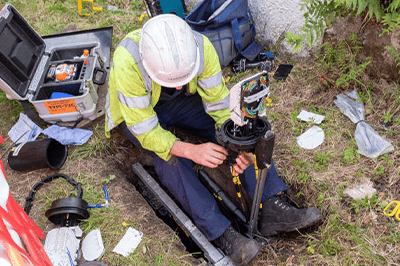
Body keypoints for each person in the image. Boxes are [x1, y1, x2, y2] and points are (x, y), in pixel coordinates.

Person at [105, 14, 322, 265]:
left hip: (183, 105)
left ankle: (272, 205)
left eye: (182, 80)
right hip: (136, 114)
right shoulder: (127, 61)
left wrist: (240, 146)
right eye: (171, 82)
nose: (177, 86)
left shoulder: (200, 47)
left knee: (233, 131)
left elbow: (220, 107)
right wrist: (191, 151)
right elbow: (144, 129)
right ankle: (222, 234)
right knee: (169, 160)